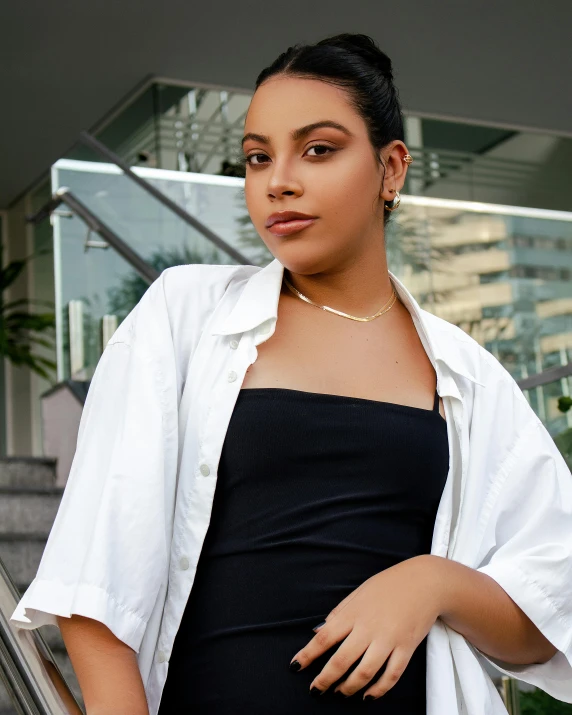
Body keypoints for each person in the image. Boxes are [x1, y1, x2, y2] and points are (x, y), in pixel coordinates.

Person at [10, 33, 572, 715]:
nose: (278, 179)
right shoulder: (183, 315)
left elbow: (545, 617)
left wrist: (433, 583)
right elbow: (97, 584)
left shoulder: (470, 375)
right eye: (256, 157)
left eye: (318, 149)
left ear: (392, 169)